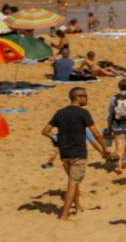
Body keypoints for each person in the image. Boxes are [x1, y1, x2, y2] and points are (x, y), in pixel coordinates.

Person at [42, 87, 110, 221]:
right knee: (73, 184)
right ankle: (64, 215)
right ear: (77, 97)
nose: (87, 98)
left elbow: (45, 131)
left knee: (74, 182)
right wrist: (105, 148)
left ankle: (78, 207)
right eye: (85, 95)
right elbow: (95, 133)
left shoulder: (60, 113)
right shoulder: (83, 113)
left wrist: (56, 138)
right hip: (78, 153)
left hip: (65, 154)